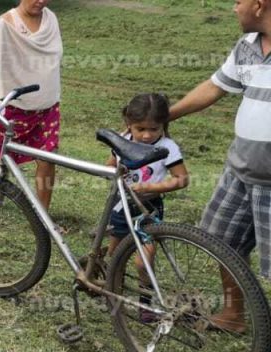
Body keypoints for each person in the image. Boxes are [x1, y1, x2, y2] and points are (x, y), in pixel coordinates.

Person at [169, 0, 270, 332]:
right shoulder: (247, 47)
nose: (233, 8)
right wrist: (167, 115)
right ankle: (232, 315)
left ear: (259, 4)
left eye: (238, 1)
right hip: (239, 171)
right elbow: (215, 86)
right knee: (221, 241)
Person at [105, 94, 190, 322]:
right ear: (128, 124)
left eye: (153, 129)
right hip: (121, 206)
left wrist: (153, 187)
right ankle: (114, 296)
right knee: (115, 256)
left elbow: (181, 179)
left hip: (148, 209)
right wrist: (115, 173)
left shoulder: (167, 147)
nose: (145, 135)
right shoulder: (123, 139)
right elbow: (111, 165)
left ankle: (146, 303)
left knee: (144, 262)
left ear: (163, 125)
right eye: (139, 128)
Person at [0, 0, 63, 210]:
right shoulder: (1, 26)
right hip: (14, 107)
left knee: (48, 158)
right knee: (1, 158)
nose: (41, 1)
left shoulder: (50, 19)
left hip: (47, 105)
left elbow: (53, 59)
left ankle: (42, 214)